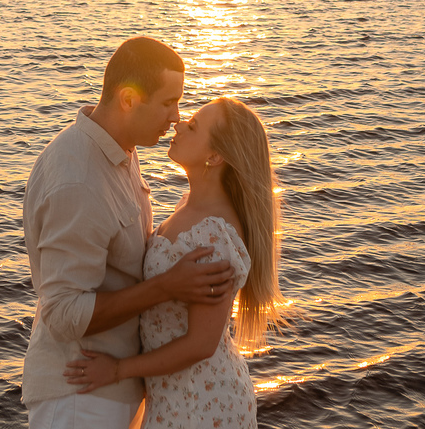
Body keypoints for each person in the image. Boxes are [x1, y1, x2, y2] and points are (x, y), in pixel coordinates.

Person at [22, 36, 237, 429]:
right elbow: (63, 313)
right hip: (80, 392)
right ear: (128, 100)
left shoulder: (121, 150)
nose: (176, 117)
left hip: (115, 387)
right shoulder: (79, 181)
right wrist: (168, 286)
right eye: (168, 103)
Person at [63, 97, 284, 429]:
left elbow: (201, 344)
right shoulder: (189, 205)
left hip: (202, 404)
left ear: (215, 156)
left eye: (193, 126)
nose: (179, 124)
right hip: (175, 396)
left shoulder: (214, 237)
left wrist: (118, 369)